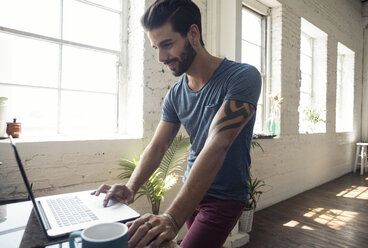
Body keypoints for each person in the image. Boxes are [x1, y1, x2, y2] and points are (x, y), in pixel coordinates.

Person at [91, 0, 262, 247]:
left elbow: (218, 146)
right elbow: (158, 146)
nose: (161, 57)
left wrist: (172, 218)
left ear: (193, 33)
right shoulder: (175, 94)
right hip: (191, 189)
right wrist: (131, 187)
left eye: (167, 44)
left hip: (224, 197)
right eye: (155, 47)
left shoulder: (243, 76)